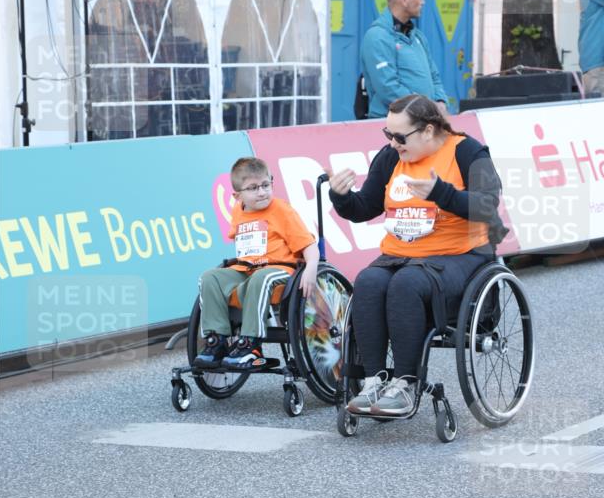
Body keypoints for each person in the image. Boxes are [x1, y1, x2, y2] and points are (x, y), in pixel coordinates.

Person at [329, 94, 506, 417]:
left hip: (459, 255)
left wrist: (442, 193)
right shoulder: (390, 158)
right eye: (388, 134)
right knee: (368, 281)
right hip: (401, 254)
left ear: (427, 130)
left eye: (399, 136)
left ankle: (405, 383)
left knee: (408, 283)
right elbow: (364, 207)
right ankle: (374, 380)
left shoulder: (467, 151)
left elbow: (487, 205)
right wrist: (340, 197)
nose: (393, 143)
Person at [194, 157, 318, 370]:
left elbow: (309, 246)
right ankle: (217, 340)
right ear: (237, 195)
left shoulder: (282, 210)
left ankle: (251, 345)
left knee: (261, 277)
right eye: (252, 188)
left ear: (271, 182)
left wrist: (311, 269)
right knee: (209, 277)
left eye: (265, 185)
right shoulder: (238, 211)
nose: (261, 192)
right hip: (247, 269)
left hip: (279, 269)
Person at [360, 0, 449, 119]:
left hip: (423, 121)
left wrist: (440, 101)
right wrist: (428, 108)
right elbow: (387, 88)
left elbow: (434, 76)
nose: (423, 2)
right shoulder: (377, 37)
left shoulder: (418, 36)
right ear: (404, 0)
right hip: (393, 126)